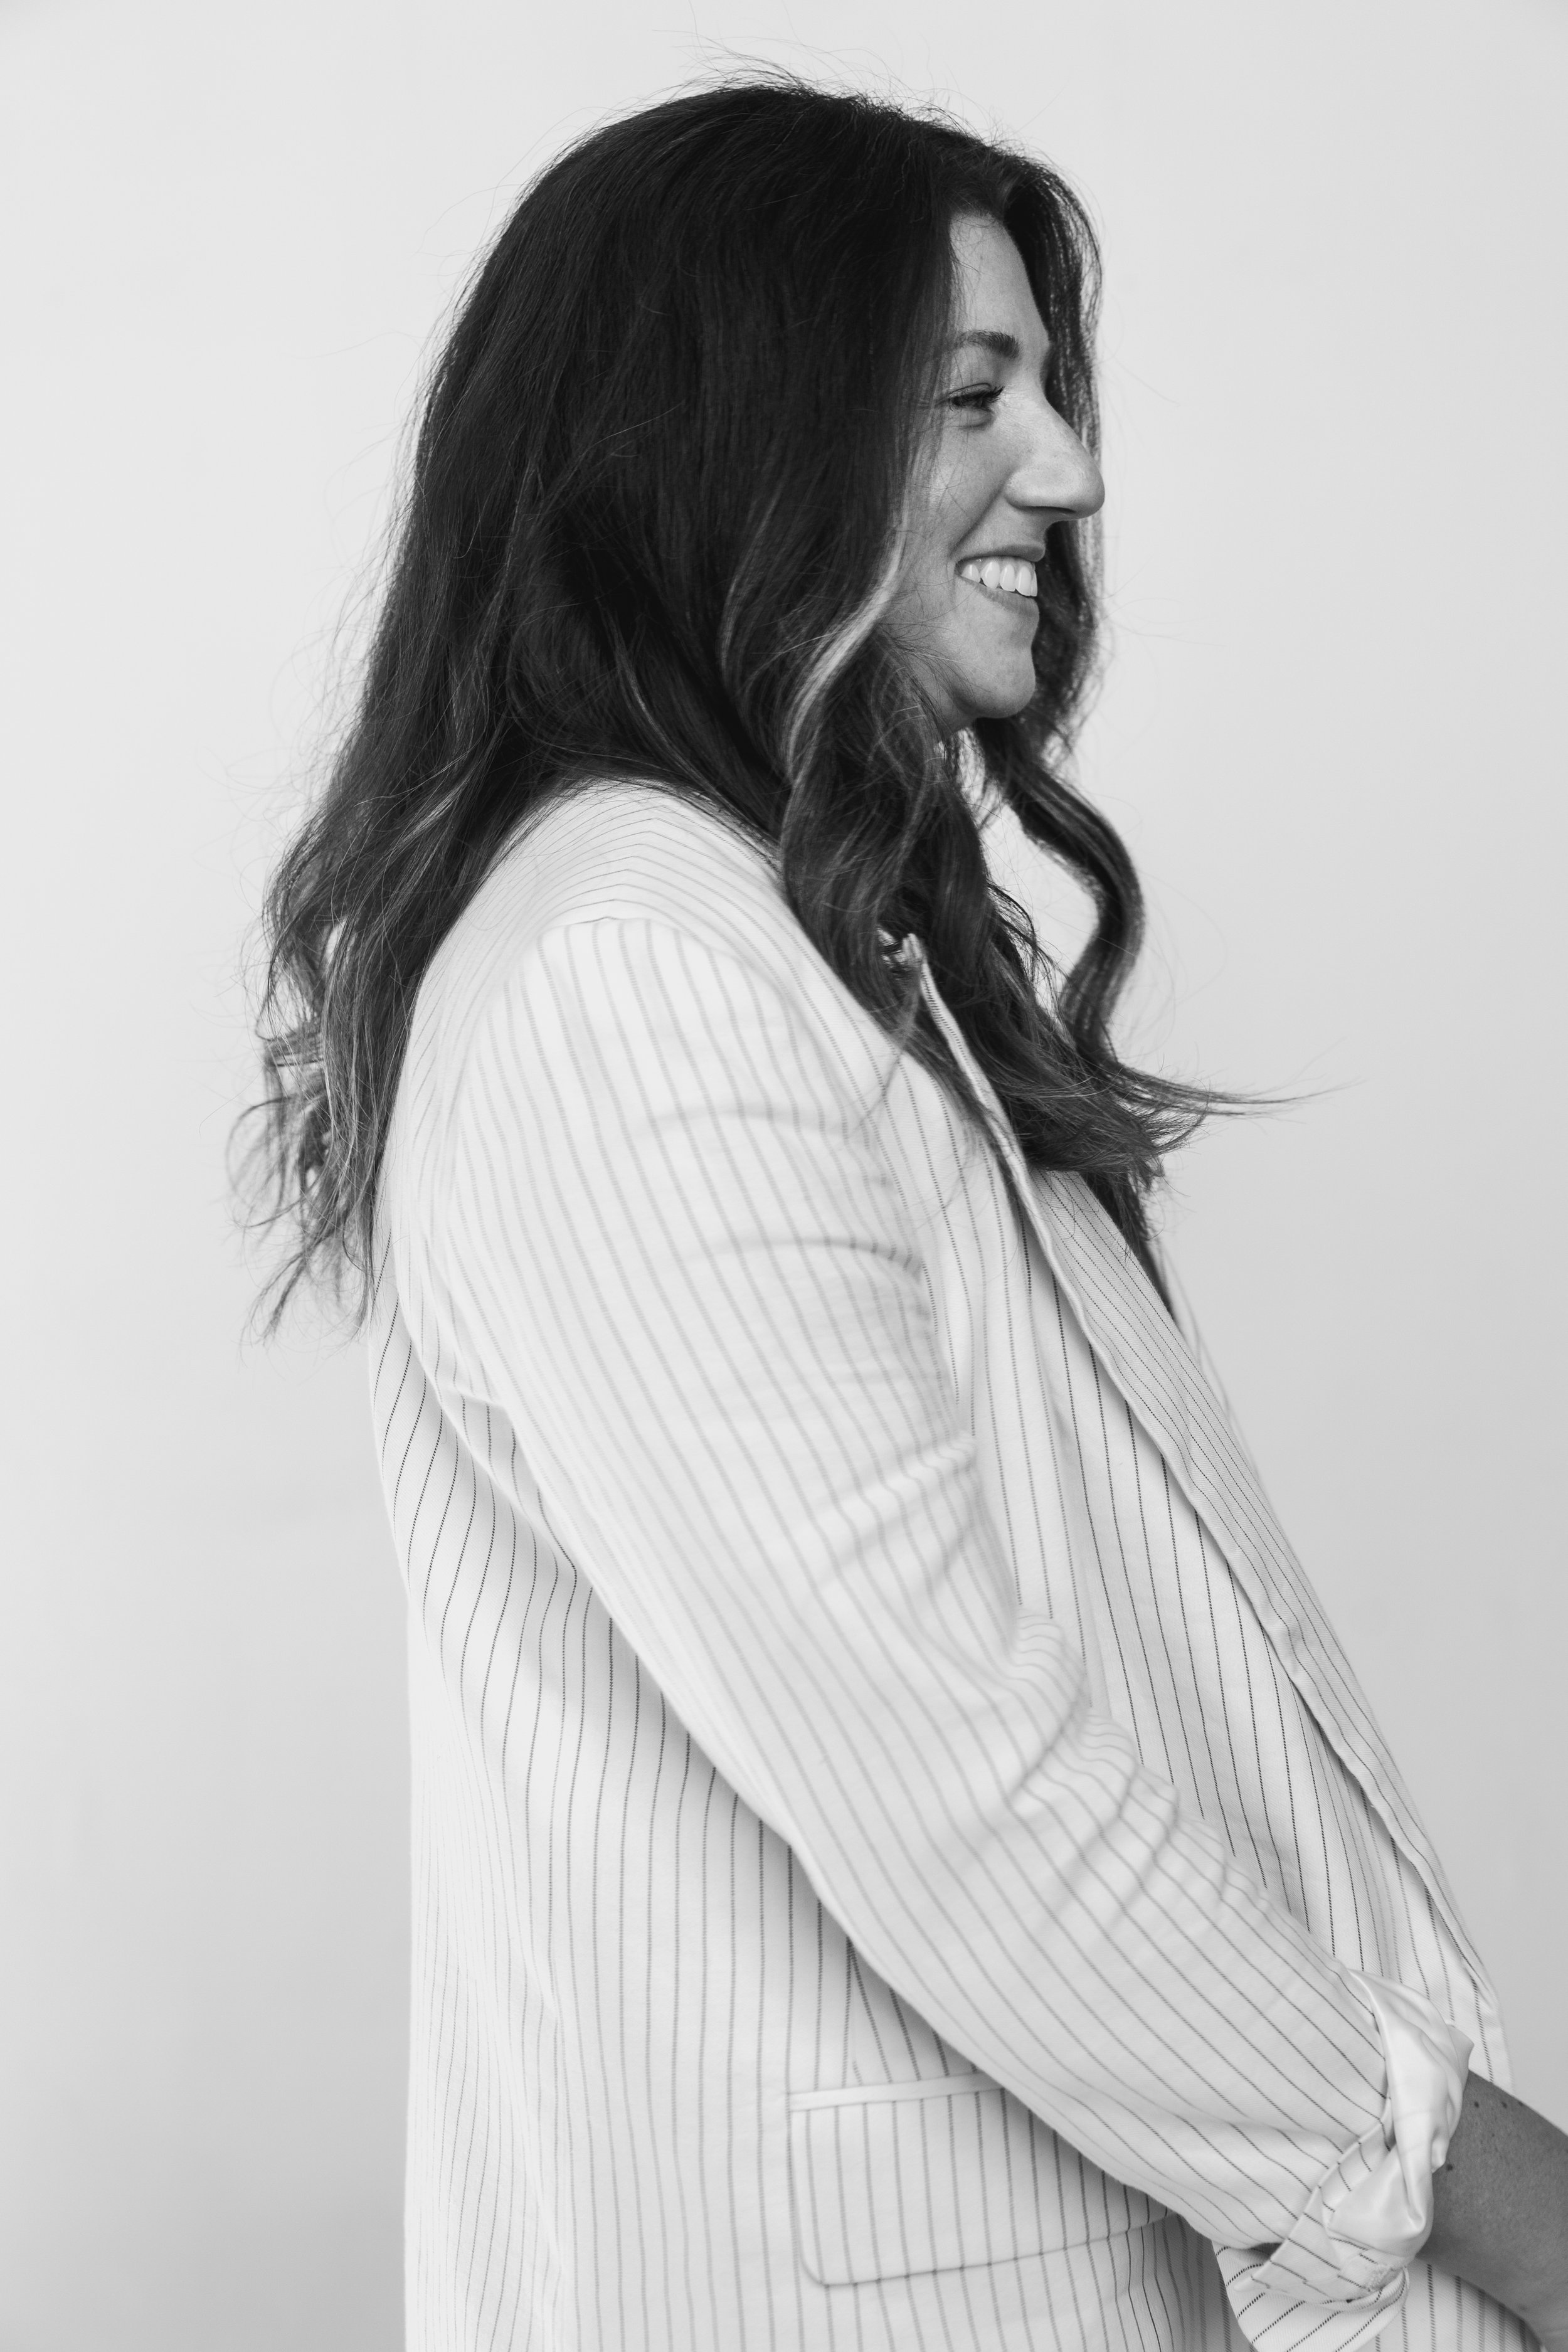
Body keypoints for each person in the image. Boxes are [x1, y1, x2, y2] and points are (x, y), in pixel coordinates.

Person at [245, 75, 1568, 2352]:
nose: (1064, 467)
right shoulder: (630, 978)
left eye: (1054, 391)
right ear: (728, 435)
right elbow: (958, 1781)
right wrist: (1476, 2186)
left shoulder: (801, 935)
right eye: (977, 397)